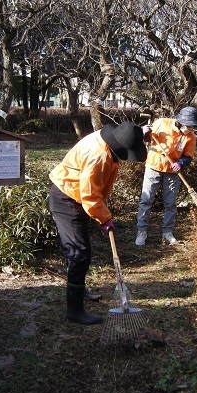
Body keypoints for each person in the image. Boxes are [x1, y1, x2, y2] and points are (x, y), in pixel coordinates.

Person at [49, 121, 148, 325]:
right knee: (79, 253)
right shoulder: (99, 156)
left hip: (77, 196)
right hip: (66, 198)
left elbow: (92, 192)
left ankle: (79, 288)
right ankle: (74, 310)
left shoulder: (110, 143)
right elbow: (89, 196)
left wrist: (102, 215)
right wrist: (104, 219)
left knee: (79, 249)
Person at [135, 106, 197, 246]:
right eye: (188, 126)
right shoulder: (162, 123)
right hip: (154, 165)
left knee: (170, 203)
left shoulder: (191, 137)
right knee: (146, 200)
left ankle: (167, 232)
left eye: (192, 127)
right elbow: (148, 140)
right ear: (180, 122)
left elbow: (188, 156)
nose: (190, 129)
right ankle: (141, 231)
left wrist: (181, 163)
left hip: (172, 171)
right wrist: (144, 133)